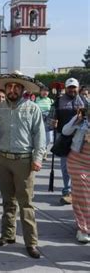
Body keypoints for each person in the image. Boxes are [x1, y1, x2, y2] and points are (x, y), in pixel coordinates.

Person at [0, 71, 46, 259]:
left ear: (22, 89)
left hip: (24, 160)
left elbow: (39, 136)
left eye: (16, 87)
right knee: (7, 201)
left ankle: (31, 242)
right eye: (9, 86)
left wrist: (38, 158)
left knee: (26, 203)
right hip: (2, 159)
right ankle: (7, 235)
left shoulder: (32, 108)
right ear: (5, 89)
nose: (12, 90)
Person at [49, 78, 87, 205]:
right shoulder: (58, 101)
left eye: (74, 87)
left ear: (78, 87)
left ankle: (78, 191)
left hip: (81, 136)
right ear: (66, 88)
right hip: (63, 136)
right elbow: (51, 117)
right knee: (65, 166)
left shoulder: (84, 101)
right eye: (70, 87)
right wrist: (52, 123)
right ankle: (67, 190)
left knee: (79, 166)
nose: (72, 89)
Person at [62, 106, 90, 243]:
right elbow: (65, 131)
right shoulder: (81, 119)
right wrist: (76, 119)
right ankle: (83, 228)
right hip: (77, 162)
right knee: (81, 196)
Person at [34, 86, 54, 159]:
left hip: (48, 121)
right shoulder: (36, 99)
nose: (45, 92)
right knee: (39, 137)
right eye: (43, 91)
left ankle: (43, 149)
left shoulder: (51, 101)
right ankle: (41, 152)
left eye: (46, 91)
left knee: (49, 138)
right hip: (39, 121)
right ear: (40, 92)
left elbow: (53, 111)